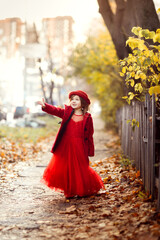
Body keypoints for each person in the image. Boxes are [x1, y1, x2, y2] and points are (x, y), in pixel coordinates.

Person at [37, 90, 104, 198]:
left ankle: (82, 189)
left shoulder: (87, 117)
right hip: (66, 145)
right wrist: (45, 106)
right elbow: (56, 110)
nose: (73, 101)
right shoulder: (67, 112)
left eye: (77, 99)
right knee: (66, 167)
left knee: (80, 167)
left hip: (80, 146)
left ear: (83, 103)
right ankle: (69, 191)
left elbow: (89, 135)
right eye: (72, 99)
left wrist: (89, 150)